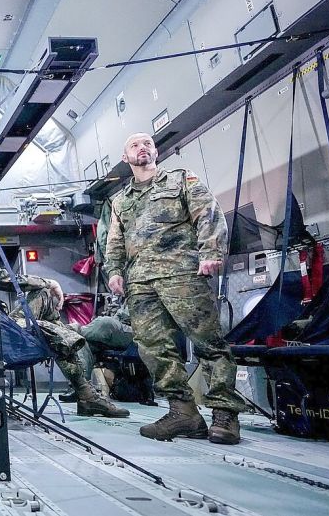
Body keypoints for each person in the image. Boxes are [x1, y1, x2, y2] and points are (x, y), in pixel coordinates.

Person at [105, 132, 246, 444]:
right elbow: (113, 243)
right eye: (134, 145)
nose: (142, 148)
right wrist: (114, 272)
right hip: (140, 282)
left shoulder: (180, 180)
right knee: (153, 347)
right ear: (126, 157)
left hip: (182, 274)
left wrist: (211, 252)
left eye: (147, 143)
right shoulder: (120, 200)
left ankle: (224, 414)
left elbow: (207, 213)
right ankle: (183, 412)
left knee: (208, 342)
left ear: (155, 151)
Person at [0, 268, 129, 418]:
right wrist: (50, 282)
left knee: (43, 293)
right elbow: (3, 278)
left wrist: (47, 286)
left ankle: (86, 394)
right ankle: (86, 394)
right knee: (59, 334)